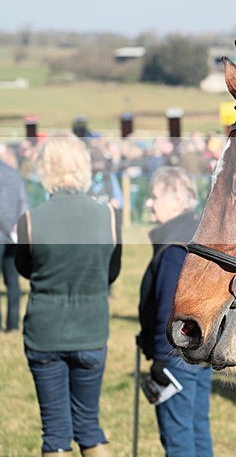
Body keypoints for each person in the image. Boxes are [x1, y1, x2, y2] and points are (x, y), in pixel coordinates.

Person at [15, 134, 122, 457]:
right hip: (91, 331)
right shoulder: (107, 216)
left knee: (55, 432)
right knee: (90, 427)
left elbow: (25, 269)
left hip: (45, 332)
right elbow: (111, 272)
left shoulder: (30, 221)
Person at [138, 166, 211, 456]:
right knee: (196, 430)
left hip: (176, 356)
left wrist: (160, 359)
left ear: (177, 199)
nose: (148, 203)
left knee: (179, 437)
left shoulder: (174, 248)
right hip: (198, 351)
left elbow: (171, 313)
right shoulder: (195, 235)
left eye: (155, 197)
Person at [0, 144, 28, 332]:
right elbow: (23, 202)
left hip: (4, 232)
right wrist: (17, 228)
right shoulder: (13, 174)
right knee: (13, 281)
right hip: (13, 234)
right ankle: (13, 324)